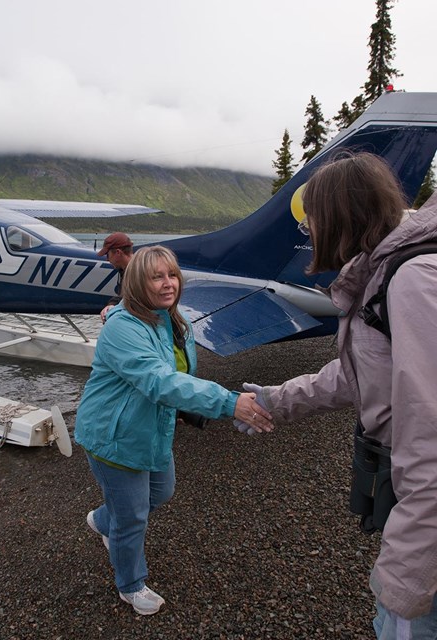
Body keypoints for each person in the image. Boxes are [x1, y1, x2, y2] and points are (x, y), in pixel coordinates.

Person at [239, 153, 437, 639]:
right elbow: (361, 373)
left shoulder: (409, 278)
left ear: (343, 217)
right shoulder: (386, 269)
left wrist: (404, 581)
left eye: (315, 222)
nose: (311, 234)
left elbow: (430, 438)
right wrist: (275, 398)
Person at [74, 245, 273, 615]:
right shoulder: (122, 327)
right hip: (112, 435)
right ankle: (130, 585)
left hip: (152, 427)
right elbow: (159, 380)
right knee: (132, 516)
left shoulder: (171, 320)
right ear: (137, 282)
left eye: (172, 275)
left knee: (160, 493)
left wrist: (187, 410)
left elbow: (177, 376)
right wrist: (229, 403)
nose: (169, 284)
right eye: (157, 277)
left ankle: (103, 520)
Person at [97, 232, 133, 323]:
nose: (107, 259)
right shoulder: (126, 269)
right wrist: (112, 304)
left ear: (118, 252)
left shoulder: (138, 271)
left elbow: (134, 300)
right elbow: (125, 296)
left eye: (108, 255)